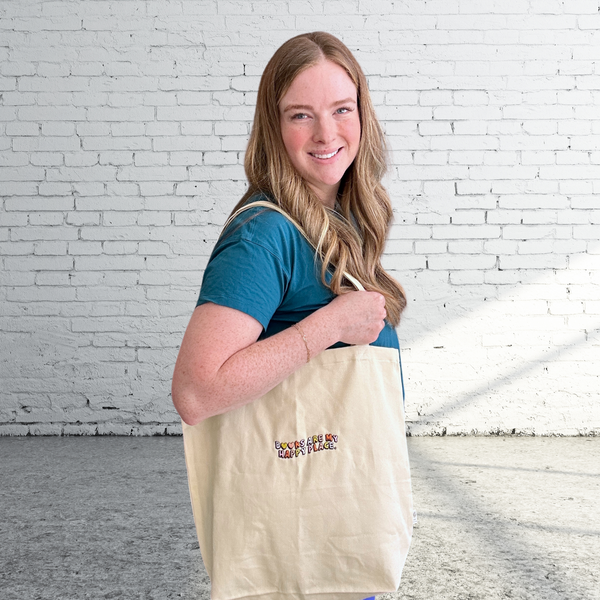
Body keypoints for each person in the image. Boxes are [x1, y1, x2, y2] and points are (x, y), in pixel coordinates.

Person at [172, 31, 408, 600]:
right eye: (301, 115)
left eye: (341, 109)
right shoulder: (265, 235)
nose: (327, 134)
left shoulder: (337, 222)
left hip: (330, 523)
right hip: (300, 543)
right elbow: (196, 391)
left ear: (362, 114)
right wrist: (329, 325)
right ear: (273, 129)